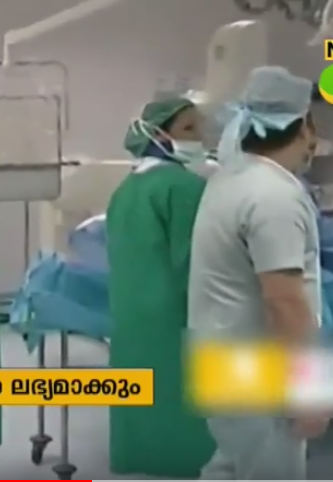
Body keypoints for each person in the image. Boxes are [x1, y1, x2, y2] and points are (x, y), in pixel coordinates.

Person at [188, 66, 327, 480]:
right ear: (304, 126)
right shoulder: (274, 196)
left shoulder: (230, 179)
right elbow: (283, 300)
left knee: (232, 466)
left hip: (222, 359)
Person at [105, 95, 216, 478]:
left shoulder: (126, 188)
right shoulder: (183, 187)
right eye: (188, 128)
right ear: (159, 134)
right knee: (176, 398)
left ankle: (138, 459)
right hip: (173, 318)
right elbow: (195, 263)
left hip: (130, 313)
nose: (200, 136)